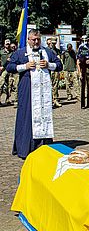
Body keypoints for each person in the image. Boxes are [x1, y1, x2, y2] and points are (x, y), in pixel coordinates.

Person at [6, 29, 63, 159]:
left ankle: (43, 146)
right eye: (34, 39)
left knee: (43, 115)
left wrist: (49, 65)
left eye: (38, 39)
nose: (36, 42)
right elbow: (9, 67)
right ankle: (25, 147)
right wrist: (24, 66)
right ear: (28, 40)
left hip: (43, 91)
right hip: (27, 88)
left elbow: (59, 65)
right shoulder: (20, 53)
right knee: (27, 115)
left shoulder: (47, 52)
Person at [48, 37, 62, 108]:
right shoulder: (47, 50)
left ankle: (55, 99)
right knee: (49, 85)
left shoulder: (58, 51)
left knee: (55, 84)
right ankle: (49, 100)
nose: (53, 44)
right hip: (49, 69)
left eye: (54, 43)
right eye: (52, 42)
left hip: (56, 70)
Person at [0, 39, 13, 105]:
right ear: (4, 44)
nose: (8, 45)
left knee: (9, 85)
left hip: (10, 70)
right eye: (6, 44)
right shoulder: (1, 52)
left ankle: (8, 100)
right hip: (3, 70)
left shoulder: (12, 52)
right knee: (1, 84)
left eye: (9, 44)